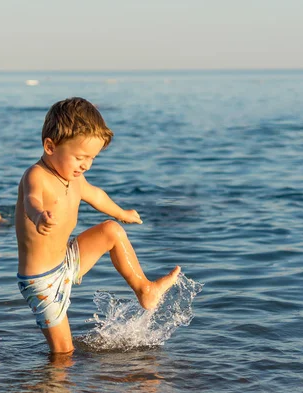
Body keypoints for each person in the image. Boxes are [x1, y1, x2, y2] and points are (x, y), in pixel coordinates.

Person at [15, 97, 181, 354]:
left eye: (92, 158)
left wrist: (123, 213)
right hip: (41, 280)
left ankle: (144, 288)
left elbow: (97, 196)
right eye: (80, 157)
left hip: (67, 261)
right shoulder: (37, 175)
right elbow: (30, 199)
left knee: (111, 230)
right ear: (50, 146)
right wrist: (38, 216)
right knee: (63, 353)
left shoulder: (74, 177)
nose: (86, 165)